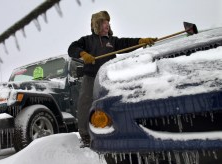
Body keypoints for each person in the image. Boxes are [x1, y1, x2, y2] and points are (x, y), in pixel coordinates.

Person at [67, 10, 157, 146]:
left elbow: (126, 43)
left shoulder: (112, 41)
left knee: (112, 103)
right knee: (85, 104)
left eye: (108, 22)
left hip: (109, 78)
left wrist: (141, 41)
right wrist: (83, 53)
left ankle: (115, 129)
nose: (107, 25)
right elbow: (72, 48)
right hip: (91, 77)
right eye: (103, 23)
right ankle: (85, 134)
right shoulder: (87, 40)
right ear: (96, 25)